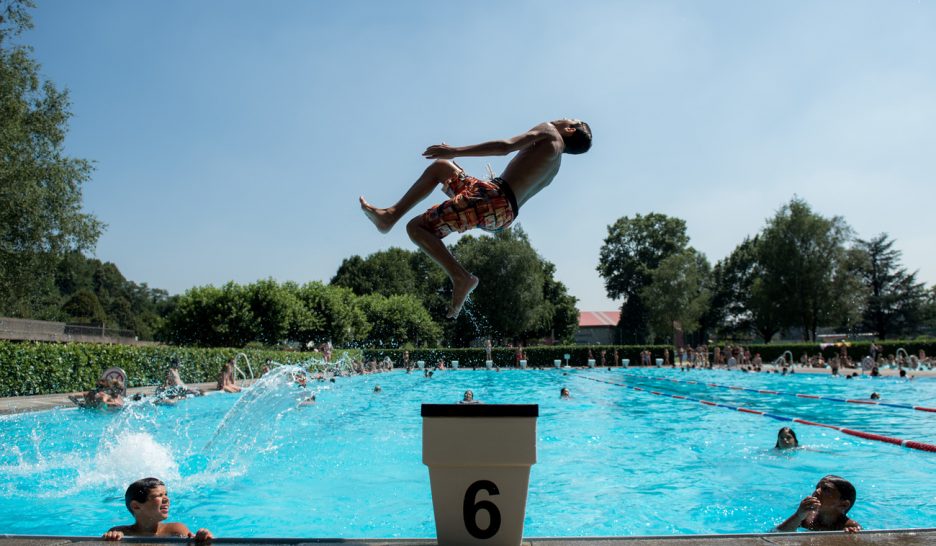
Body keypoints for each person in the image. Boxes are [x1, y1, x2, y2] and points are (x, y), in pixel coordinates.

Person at [360, 119, 592, 318]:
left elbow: (505, 147)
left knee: (416, 227)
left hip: (491, 198)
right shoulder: (554, 166)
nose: (561, 117)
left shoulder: (550, 131)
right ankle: (389, 216)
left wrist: (455, 151)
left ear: (570, 129)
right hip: (502, 214)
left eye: (568, 118)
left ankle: (460, 277)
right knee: (441, 168)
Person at [103, 477, 212, 542]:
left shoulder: (176, 530)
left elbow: (194, 541)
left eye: (166, 494)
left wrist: (203, 538)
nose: (166, 499)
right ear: (136, 506)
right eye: (159, 495)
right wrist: (111, 540)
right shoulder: (121, 533)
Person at [775, 475, 861, 533]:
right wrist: (798, 516)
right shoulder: (807, 517)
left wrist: (853, 535)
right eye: (817, 487)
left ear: (843, 505)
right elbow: (777, 533)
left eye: (826, 489)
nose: (817, 491)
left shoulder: (849, 525)